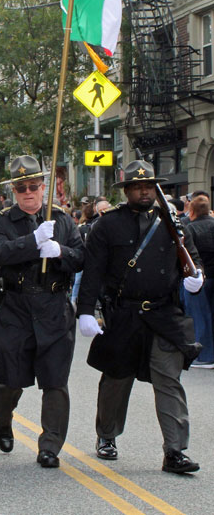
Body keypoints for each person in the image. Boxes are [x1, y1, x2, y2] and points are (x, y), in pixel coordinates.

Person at [77, 159, 203, 474]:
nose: (144, 192)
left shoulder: (171, 221)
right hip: (124, 312)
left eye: (148, 186)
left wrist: (196, 276)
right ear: (128, 190)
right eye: (137, 187)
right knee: (117, 379)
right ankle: (107, 435)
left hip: (163, 313)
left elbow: (192, 255)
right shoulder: (107, 224)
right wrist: (84, 312)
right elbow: (93, 272)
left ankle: (175, 450)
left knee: (168, 380)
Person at [0, 155, 84, 468]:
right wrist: (33, 241)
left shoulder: (64, 221)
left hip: (54, 309)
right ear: (13, 192)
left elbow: (81, 258)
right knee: (8, 380)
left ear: (44, 188)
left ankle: (50, 446)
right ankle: (3, 421)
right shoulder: (2, 221)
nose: (28, 192)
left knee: (55, 381)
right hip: (15, 310)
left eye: (33, 186)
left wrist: (59, 251)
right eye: (21, 188)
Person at [184, 195, 214, 368]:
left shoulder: (190, 228)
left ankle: (204, 356)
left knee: (199, 316)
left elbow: (190, 256)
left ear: (192, 210)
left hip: (200, 278)